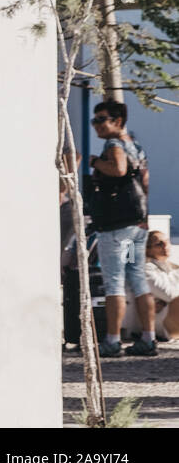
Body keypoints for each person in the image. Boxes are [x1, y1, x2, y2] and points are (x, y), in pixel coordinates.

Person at [87, 99, 155, 357]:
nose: (96, 125)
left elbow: (118, 169)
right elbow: (144, 182)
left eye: (101, 119)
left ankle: (112, 341)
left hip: (117, 227)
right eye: (94, 120)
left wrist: (94, 162)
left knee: (114, 281)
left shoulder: (114, 144)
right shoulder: (136, 146)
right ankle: (148, 338)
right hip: (137, 224)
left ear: (117, 121)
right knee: (137, 279)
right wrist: (144, 215)